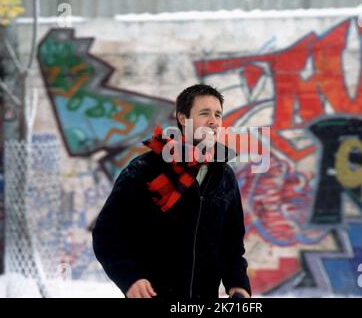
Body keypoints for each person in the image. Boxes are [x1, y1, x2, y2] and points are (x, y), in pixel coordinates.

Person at [92, 84, 251, 299]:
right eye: (204, 113)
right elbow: (107, 233)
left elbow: (231, 242)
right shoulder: (147, 168)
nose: (213, 121)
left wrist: (238, 284)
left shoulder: (224, 175)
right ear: (183, 118)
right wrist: (130, 277)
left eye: (218, 114)